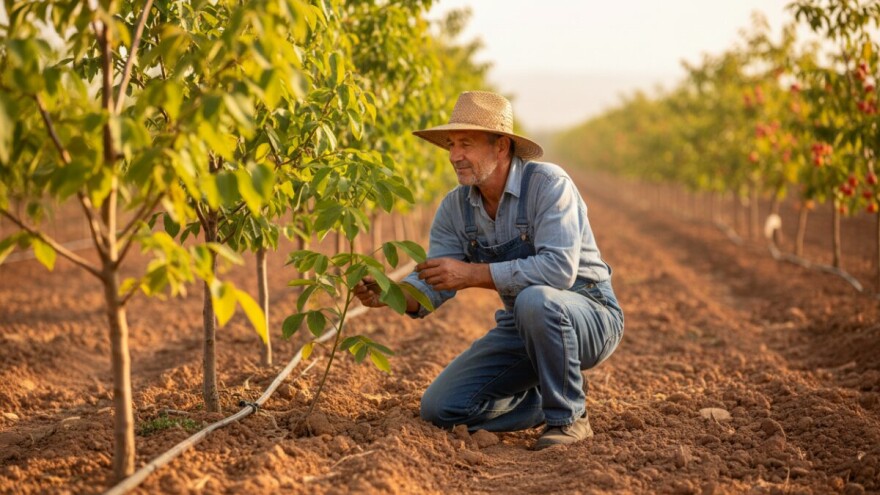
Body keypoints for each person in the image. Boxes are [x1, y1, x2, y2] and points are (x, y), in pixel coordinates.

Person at [354, 90, 624, 450]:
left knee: (534, 299)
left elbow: (559, 270)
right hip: (525, 324)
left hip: (588, 314)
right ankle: (548, 394)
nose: (454, 156)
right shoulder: (455, 208)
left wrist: (472, 274)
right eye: (450, 145)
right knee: (441, 408)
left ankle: (569, 417)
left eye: (466, 143)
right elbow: (435, 281)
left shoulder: (548, 185)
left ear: (501, 147)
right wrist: (391, 293)